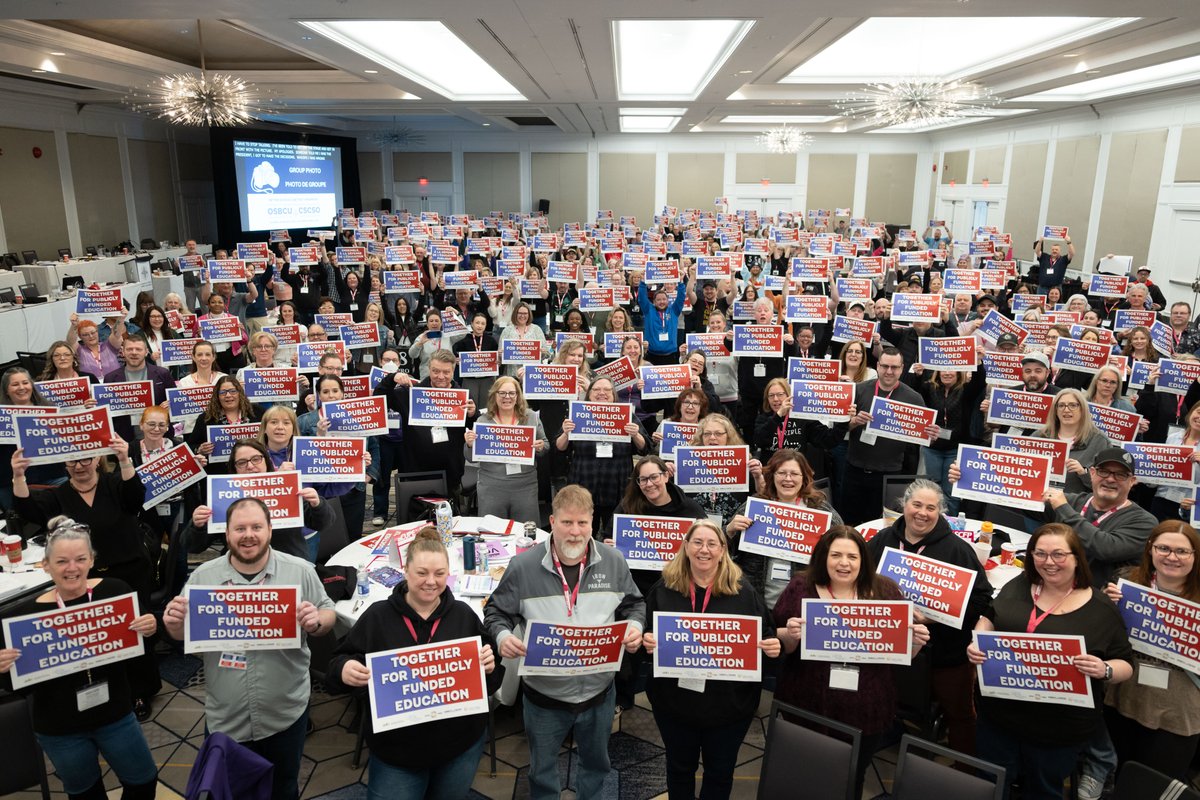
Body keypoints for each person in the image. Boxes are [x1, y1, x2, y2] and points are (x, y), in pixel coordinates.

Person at [164, 497, 336, 800]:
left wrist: (316, 621)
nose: (248, 535)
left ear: (270, 529)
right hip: (226, 717)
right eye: (239, 528)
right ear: (226, 533)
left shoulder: (300, 570)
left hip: (285, 713)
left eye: (257, 526)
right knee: (231, 790)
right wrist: (173, 622)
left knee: (284, 788)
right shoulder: (203, 578)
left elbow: (328, 613)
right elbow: (179, 633)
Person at [484, 485, 646, 800]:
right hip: (544, 697)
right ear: (551, 521)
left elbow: (635, 605)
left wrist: (635, 627)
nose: (574, 532)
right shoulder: (523, 567)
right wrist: (503, 636)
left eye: (582, 523)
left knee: (597, 765)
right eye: (566, 523)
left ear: (592, 522)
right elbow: (495, 612)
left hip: (599, 694)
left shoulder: (613, 561)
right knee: (542, 771)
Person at [326, 526, 504, 798]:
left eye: (439, 574)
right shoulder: (378, 617)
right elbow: (336, 663)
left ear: (449, 574)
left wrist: (490, 667)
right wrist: (344, 670)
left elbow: (490, 682)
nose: (430, 581)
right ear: (405, 572)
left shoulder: (463, 615)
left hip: (458, 747)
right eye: (421, 573)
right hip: (397, 752)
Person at [967, 523, 1133, 798]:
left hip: (1057, 729)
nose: (1049, 562)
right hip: (998, 717)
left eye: (1059, 554)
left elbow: (1126, 665)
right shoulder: (1020, 584)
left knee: (1044, 790)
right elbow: (988, 616)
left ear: (1077, 558)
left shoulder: (1101, 609)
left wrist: (1104, 669)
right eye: (1040, 554)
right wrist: (978, 640)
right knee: (991, 783)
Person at [0, 519, 159, 800]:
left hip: (115, 714)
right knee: (85, 794)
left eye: (80, 559)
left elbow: (140, 653)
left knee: (144, 781)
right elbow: (17, 688)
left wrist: (151, 627)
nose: (72, 568)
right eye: (61, 561)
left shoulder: (115, 591)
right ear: (45, 565)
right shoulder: (18, 618)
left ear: (92, 560)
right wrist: (2, 670)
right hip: (60, 727)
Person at [12, 434, 163, 718]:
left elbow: (135, 499)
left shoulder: (115, 483)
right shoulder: (58, 495)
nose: (79, 465)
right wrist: (19, 475)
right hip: (84, 580)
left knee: (136, 632)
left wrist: (124, 459)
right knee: (96, 636)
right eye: (72, 461)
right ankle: (105, 690)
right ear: (65, 465)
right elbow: (29, 511)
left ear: (96, 459)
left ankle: (140, 691)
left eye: (85, 458)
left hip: (129, 572)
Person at [774, 526, 931, 796]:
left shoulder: (885, 590)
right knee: (807, 775)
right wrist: (789, 635)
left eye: (852, 556)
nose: (843, 563)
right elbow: (779, 642)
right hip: (807, 704)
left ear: (863, 560)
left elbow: (901, 655)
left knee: (853, 776)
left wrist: (915, 642)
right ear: (823, 557)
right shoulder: (801, 587)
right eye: (836, 555)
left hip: (866, 710)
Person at [640, 520, 781, 800]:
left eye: (711, 544)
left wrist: (771, 646)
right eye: (697, 542)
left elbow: (765, 634)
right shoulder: (664, 588)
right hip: (675, 705)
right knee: (679, 770)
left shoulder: (744, 592)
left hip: (728, 708)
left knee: (719, 773)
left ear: (722, 550)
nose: (704, 550)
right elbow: (646, 629)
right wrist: (647, 639)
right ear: (686, 548)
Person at [866, 479, 992, 756]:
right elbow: (861, 580)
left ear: (941, 512)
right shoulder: (883, 539)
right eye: (917, 505)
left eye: (931, 508)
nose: (922, 513)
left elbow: (983, 598)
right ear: (904, 505)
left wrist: (937, 617)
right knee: (887, 696)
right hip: (888, 645)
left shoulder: (957, 550)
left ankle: (966, 767)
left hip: (944, 653)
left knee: (959, 713)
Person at [1103, 520, 1200, 781]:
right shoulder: (1126, 581)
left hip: (1178, 712)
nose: (1172, 557)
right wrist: (1105, 606)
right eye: (1164, 548)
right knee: (1120, 777)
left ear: (1195, 556)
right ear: (1150, 549)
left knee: (1153, 787)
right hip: (1125, 698)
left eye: (1182, 551)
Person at [727, 449, 842, 607]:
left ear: (804, 478)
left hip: (803, 602)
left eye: (794, 474)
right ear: (772, 476)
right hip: (757, 601)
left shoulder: (820, 510)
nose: (788, 479)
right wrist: (729, 531)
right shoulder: (754, 505)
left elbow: (844, 544)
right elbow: (722, 552)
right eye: (782, 473)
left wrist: (827, 543)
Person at [838, 346, 930, 525]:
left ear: (902, 368)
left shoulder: (914, 399)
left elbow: (919, 441)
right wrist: (854, 422)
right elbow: (839, 429)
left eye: (894, 367)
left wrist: (930, 435)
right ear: (877, 366)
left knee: (881, 527)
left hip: (889, 474)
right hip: (854, 470)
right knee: (850, 523)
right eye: (885, 366)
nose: (889, 371)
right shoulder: (858, 390)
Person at [1040, 448, 1158, 588]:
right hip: (1052, 586)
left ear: (1132, 481)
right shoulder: (1071, 501)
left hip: (1097, 599)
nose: (1110, 479)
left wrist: (1063, 509)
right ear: (1092, 473)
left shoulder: (1145, 522)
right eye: (1103, 472)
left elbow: (1106, 548)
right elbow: (1023, 503)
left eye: (1120, 475)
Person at [554, 376, 649, 536]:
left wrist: (635, 435)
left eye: (607, 390)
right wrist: (565, 433)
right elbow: (559, 447)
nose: (601, 393)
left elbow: (645, 448)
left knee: (614, 535)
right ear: (589, 393)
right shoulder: (577, 414)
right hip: (583, 484)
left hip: (616, 487)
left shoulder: (626, 414)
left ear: (614, 394)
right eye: (596, 389)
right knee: (580, 533)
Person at [463, 376, 547, 521]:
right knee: (492, 535)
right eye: (502, 393)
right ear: (494, 395)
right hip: (492, 486)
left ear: (518, 396)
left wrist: (541, 447)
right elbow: (470, 457)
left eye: (511, 393)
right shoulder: (483, 421)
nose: (507, 397)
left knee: (526, 535)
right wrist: (470, 444)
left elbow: (545, 445)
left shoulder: (531, 417)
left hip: (525, 487)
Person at [752, 376, 845, 476]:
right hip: (771, 472)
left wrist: (844, 421)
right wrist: (778, 416)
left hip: (796, 473)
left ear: (789, 396)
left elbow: (827, 440)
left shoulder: (801, 417)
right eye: (771, 395)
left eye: (780, 394)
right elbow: (759, 440)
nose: (775, 399)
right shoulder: (763, 418)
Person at [1033, 388, 1111, 494]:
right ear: (1055, 410)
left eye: (1073, 405)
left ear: (1082, 409)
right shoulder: (1039, 436)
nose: (1066, 410)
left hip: (1075, 507)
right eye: (1061, 405)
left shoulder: (1099, 440)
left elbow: (1107, 483)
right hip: (1039, 502)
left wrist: (1083, 473)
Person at [916, 369, 969, 514]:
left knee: (951, 492)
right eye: (943, 369)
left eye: (951, 370)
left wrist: (978, 362)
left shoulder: (965, 390)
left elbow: (978, 383)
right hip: (932, 449)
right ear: (937, 372)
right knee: (932, 490)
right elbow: (915, 397)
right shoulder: (929, 388)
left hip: (954, 450)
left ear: (958, 373)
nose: (947, 373)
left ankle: (951, 526)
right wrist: (918, 374)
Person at [638, 267, 694, 365]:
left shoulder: (674, 310)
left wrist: (680, 281)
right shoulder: (648, 310)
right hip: (652, 355)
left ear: (668, 301)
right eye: (658, 300)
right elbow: (642, 298)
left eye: (664, 299)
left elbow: (681, 298)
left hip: (670, 355)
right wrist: (642, 281)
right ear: (654, 302)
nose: (661, 302)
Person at [67, 313, 124, 381]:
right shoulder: (79, 350)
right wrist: (74, 325)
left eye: (93, 332)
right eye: (85, 335)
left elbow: (116, 334)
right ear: (80, 337)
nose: (91, 336)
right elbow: (71, 342)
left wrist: (121, 318)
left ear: (97, 332)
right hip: (91, 385)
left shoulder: (109, 345)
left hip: (114, 383)